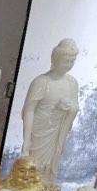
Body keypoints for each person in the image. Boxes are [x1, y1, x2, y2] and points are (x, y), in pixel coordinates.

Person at [21, 40, 80, 181]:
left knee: (50, 166)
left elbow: (75, 107)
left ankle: (46, 186)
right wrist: (27, 139)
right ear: (55, 59)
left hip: (57, 131)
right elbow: (29, 110)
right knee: (34, 164)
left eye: (72, 61)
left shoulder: (72, 83)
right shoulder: (42, 82)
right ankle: (30, 187)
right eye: (65, 61)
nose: (68, 65)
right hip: (40, 130)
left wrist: (69, 109)